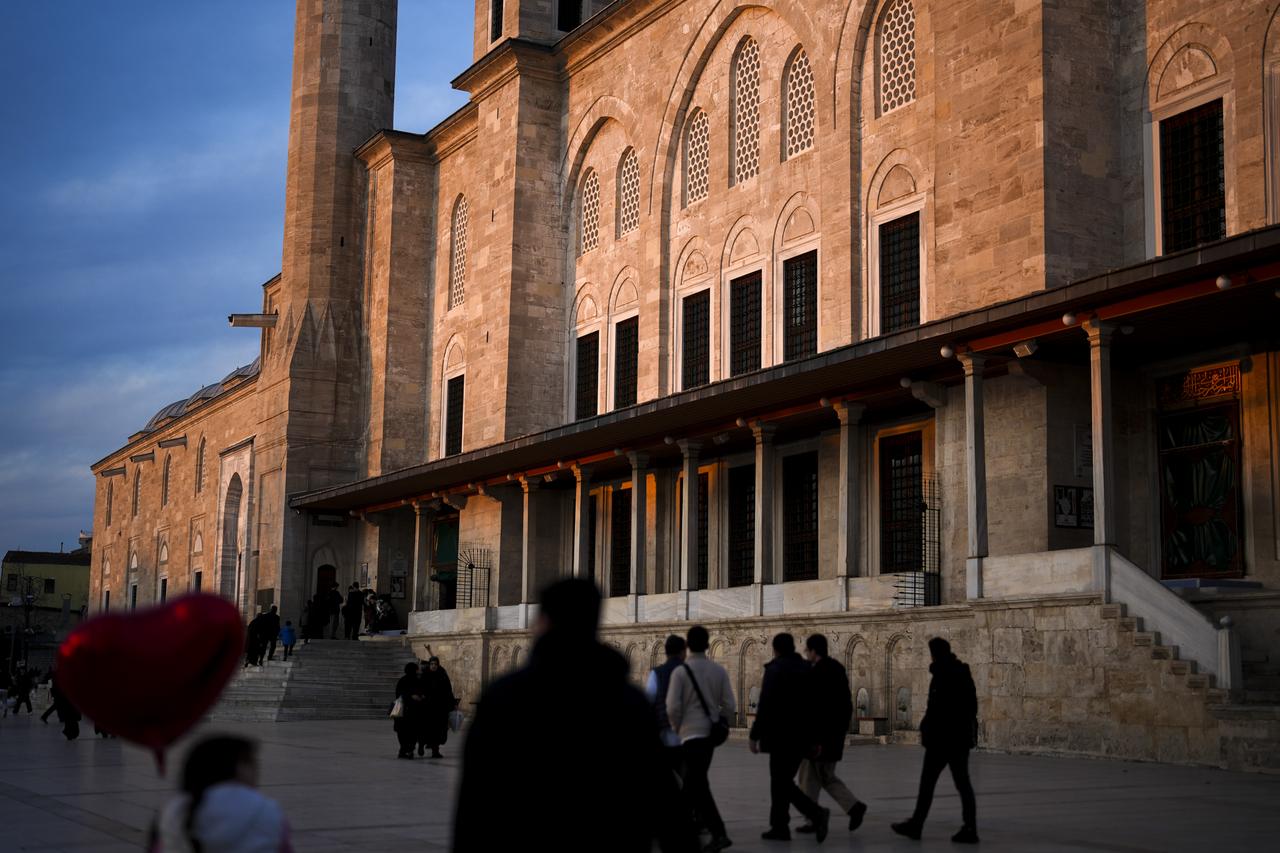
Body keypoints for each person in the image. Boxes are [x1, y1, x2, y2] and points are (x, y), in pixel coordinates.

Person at [454, 578, 698, 853]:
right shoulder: (627, 701)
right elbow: (664, 800)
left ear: (543, 621)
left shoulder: (504, 698)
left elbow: (475, 804)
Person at [892, 637, 980, 844]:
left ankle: (917, 825)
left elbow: (938, 709)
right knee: (961, 784)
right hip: (957, 739)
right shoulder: (960, 672)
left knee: (929, 784)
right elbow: (971, 706)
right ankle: (969, 827)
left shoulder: (943, 673)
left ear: (935, 654)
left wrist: (929, 729)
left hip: (943, 740)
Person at [749, 632, 829, 843]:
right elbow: (815, 707)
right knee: (782, 782)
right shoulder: (807, 669)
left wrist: (754, 735)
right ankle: (780, 826)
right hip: (802, 737)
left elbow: (765, 704)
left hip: (779, 737)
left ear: (775, 650)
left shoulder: (775, 669)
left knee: (781, 783)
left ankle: (815, 813)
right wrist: (816, 739)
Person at [153, 735, 292, 852]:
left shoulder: (174, 812)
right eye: (251, 763)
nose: (257, 770)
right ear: (235, 768)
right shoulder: (267, 811)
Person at [666, 625, 736, 853]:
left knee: (695, 783)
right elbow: (730, 705)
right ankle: (692, 829)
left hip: (689, 735)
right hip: (709, 738)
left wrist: (678, 728)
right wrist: (719, 720)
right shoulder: (718, 671)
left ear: (688, 645)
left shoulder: (680, 672)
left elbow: (672, 707)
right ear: (707, 645)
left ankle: (717, 833)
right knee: (695, 782)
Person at [795, 634, 865, 835]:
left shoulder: (816, 673)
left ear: (813, 651)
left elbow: (813, 710)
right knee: (824, 776)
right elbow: (846, 705)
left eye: (807, 651)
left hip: (818, 739)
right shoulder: (837, 669)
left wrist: (812, 739)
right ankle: (852, 807)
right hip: (834, 736)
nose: (806, 654)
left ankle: (815, 818)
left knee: (810, 778)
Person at [645, 634, 687, 761]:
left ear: (666, 652)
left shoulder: (656, 673)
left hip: (664, 736)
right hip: (688, 736)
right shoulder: (691, 673)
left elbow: (648, 704)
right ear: (682, 652)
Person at [418, 655, 457, 758]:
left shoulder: (442, 675)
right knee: (425, 729)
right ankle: (421, 745)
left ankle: (435, 751)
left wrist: (453, 703)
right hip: (427, 708)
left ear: (438, 665)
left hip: (439, 708)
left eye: (435, 664)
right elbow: (419, 689)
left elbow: (448, 690)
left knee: (438, 730)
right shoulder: (425, 675)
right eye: (431, 664)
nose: (433, 666)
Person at [393, 662, 425, 759]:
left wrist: (420, 697)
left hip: (407, 712)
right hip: (407, 711)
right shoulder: (410, 681)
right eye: (417, 669)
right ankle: (406, 750)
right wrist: (412, 697)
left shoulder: (405, 680)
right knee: (408, 732)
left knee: (406, 732)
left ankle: (406, 750)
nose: (418, 670)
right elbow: (400, 694)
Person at [49, 672, 81, 741]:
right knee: (71, 719)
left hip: (67, 702)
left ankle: (70, 733)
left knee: (70, 719)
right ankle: (71, 733)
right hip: (69, 702)